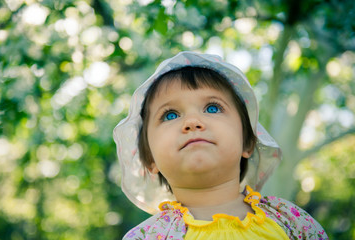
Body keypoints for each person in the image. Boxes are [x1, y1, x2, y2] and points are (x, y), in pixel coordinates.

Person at [113, 51, 328, 239]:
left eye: (212, 108)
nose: (192, 122)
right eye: (170, 115)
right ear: (150, 158)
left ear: (247, 141)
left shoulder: (292, 222)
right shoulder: (148, 236)